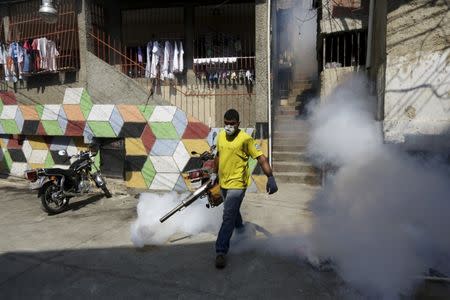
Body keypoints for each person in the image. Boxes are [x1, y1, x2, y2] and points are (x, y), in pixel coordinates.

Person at [213, 108, 278, 269]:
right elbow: (218, 156)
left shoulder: (245, 139)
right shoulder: (221, 135)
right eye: (226, 123)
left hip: (238, 185)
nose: (228, 127)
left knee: (227, 216)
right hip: (223, 183)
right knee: (232, 213)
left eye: (232, 124)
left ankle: (221, 251)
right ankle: (241, 230)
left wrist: (270, 177)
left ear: (238, 124)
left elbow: (261, 158)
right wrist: (215, 176)